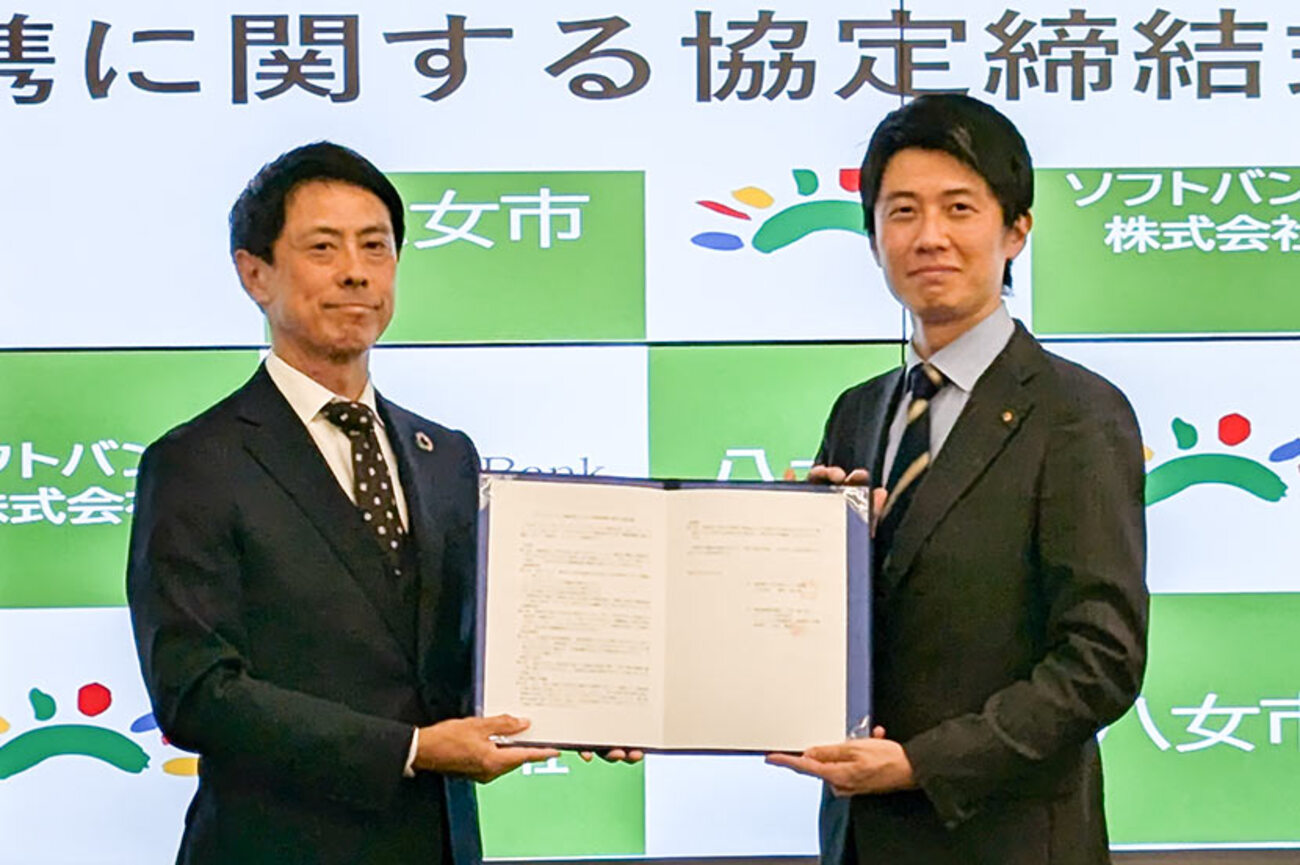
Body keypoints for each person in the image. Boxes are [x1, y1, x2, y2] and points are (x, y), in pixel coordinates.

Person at [126, 141, 561, 865]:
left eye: (376, 246)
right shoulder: (196, 461)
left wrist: (594, 706)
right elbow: (195, 691)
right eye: (323, 247)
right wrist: (410, 749)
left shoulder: (446, 454)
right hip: (276, 846)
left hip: (440, 844)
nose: (356, 271)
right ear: (255, 273)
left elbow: (468, 653)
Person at [766, 95, 1148, 865]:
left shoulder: (1077, 412)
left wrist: (923, 763)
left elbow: (1101, 659)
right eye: (902, 210)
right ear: (874, 236)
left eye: (959, 208)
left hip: (1007, 840)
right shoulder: (860, 410)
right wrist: (799, 562)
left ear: (1016, 230)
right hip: (862, 840)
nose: (929, 236)